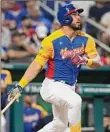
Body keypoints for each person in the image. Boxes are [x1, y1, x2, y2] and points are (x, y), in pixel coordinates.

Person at [8, 4, 102, 132]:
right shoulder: (51, 40)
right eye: (74, 14)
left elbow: (98, 62)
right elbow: (37, 65)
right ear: (65, 18)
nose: (78, 17)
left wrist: (87, 60)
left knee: (60, 125)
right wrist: (20, 85)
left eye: (78, 14)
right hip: (52, 85)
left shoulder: (86, 39)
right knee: (76, 101)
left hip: (70, 87)